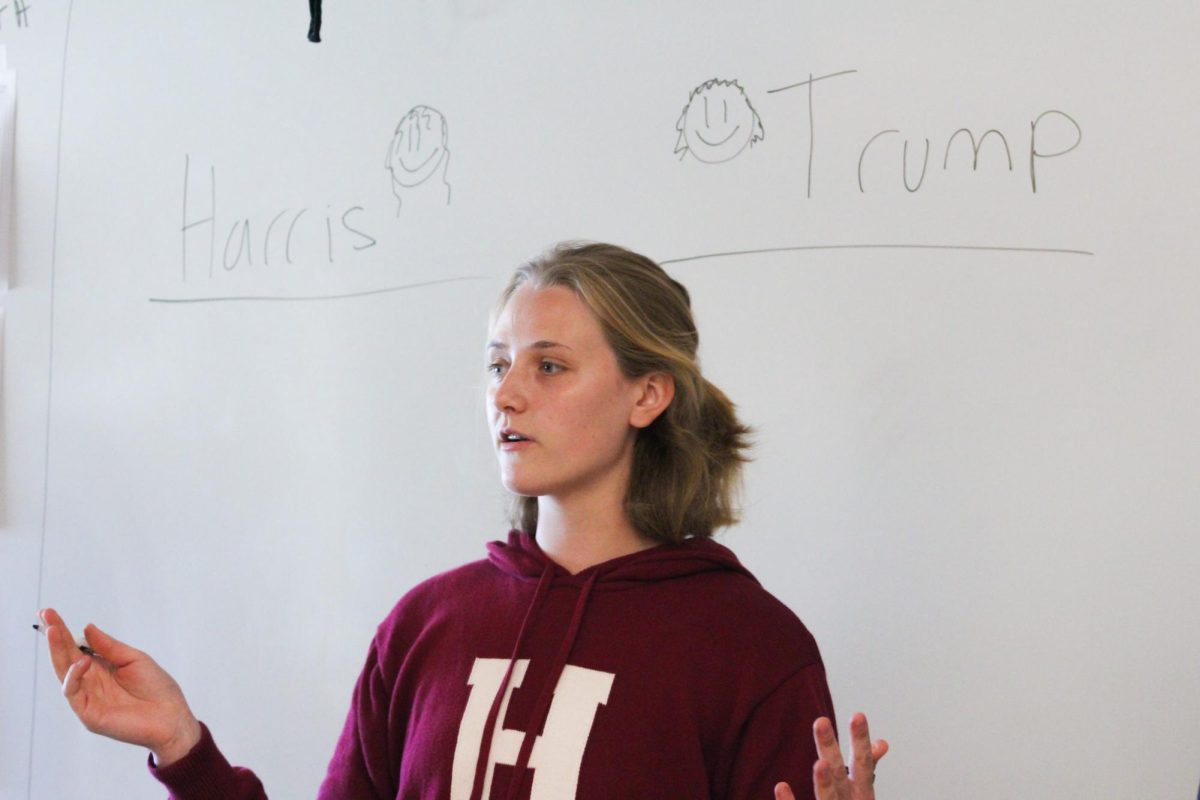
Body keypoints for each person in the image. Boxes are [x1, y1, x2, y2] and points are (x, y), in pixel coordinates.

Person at [41, 242, 888, 799]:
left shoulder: (751, 648)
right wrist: (186, 750)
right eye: (498, 365)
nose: (507, 394)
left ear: (648, 393)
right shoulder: (426, 625)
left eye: (550, 365)